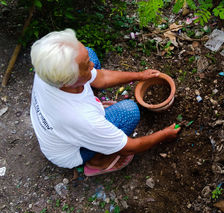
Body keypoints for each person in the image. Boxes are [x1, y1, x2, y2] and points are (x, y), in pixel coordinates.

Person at [30, 29, 180, 176]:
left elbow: (101, 77)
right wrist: (165, 134)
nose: (92, 66)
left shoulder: (48, 70)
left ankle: (96, 114)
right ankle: (98, 161)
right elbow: (129, 147)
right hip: (72, 153)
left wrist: (139, 75)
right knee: (129, 112)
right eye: (86, 66)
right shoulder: (81, 119)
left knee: (91, 54)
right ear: (69, 80)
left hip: (63, 131)